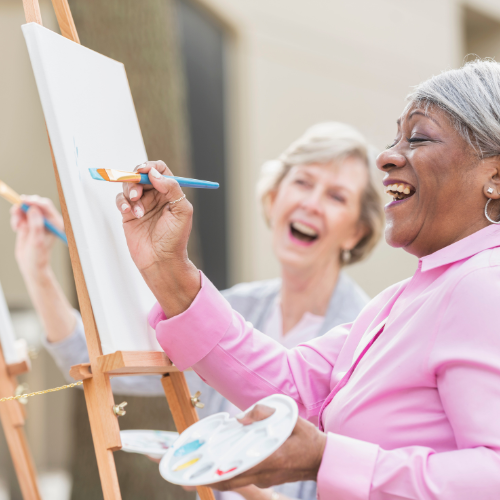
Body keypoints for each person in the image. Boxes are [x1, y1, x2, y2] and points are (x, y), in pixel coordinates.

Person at [116, 59, 500, 499]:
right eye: (396, 137)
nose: (387, 156)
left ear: (494, 176)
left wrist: (326, 459)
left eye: (418, 137)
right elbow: (293, 388)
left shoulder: (483, 284)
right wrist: (170, 269)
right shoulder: (401, 300)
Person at [11, 122, 384, 500]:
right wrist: (38, 272)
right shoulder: (229, 310)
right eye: (303, 182)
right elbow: (98, 361)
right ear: (274, 197)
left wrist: (221, 471)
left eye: (337, 197)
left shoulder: (365, 340)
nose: (312, 204)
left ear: (357, 232)